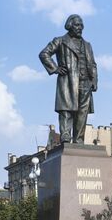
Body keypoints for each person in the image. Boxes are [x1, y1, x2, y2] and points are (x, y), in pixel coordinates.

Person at [39, 14, 97, 143]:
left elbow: (92, 64)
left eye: (82, 25)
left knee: (82, 113)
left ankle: (79, 139)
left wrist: (94, 80)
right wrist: (55, 68)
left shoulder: (87, 45)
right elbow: (44, 54)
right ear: (69, 25)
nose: (80, 28)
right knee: (66, 110)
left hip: (85, 83)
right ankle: (65, 136)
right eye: (77, 25)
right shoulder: (60, 41)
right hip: (68, 81)